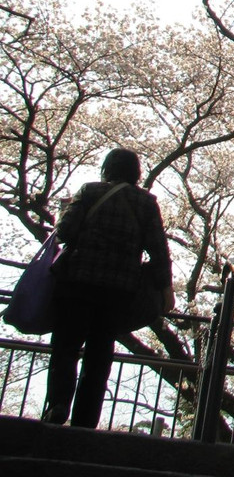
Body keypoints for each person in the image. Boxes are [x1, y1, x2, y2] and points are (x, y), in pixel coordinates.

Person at [42, 148, 173, 427]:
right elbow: (159, 251)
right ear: (136, 172)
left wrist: (64, 212)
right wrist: (165, 288)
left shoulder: (89, 191)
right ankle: (85, 421)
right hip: (118, 290)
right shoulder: (146, 203)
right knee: (99, 356)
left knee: (65, 347)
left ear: (107, 168)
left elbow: (64, 232)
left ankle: (57, 405)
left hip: (77, 282)